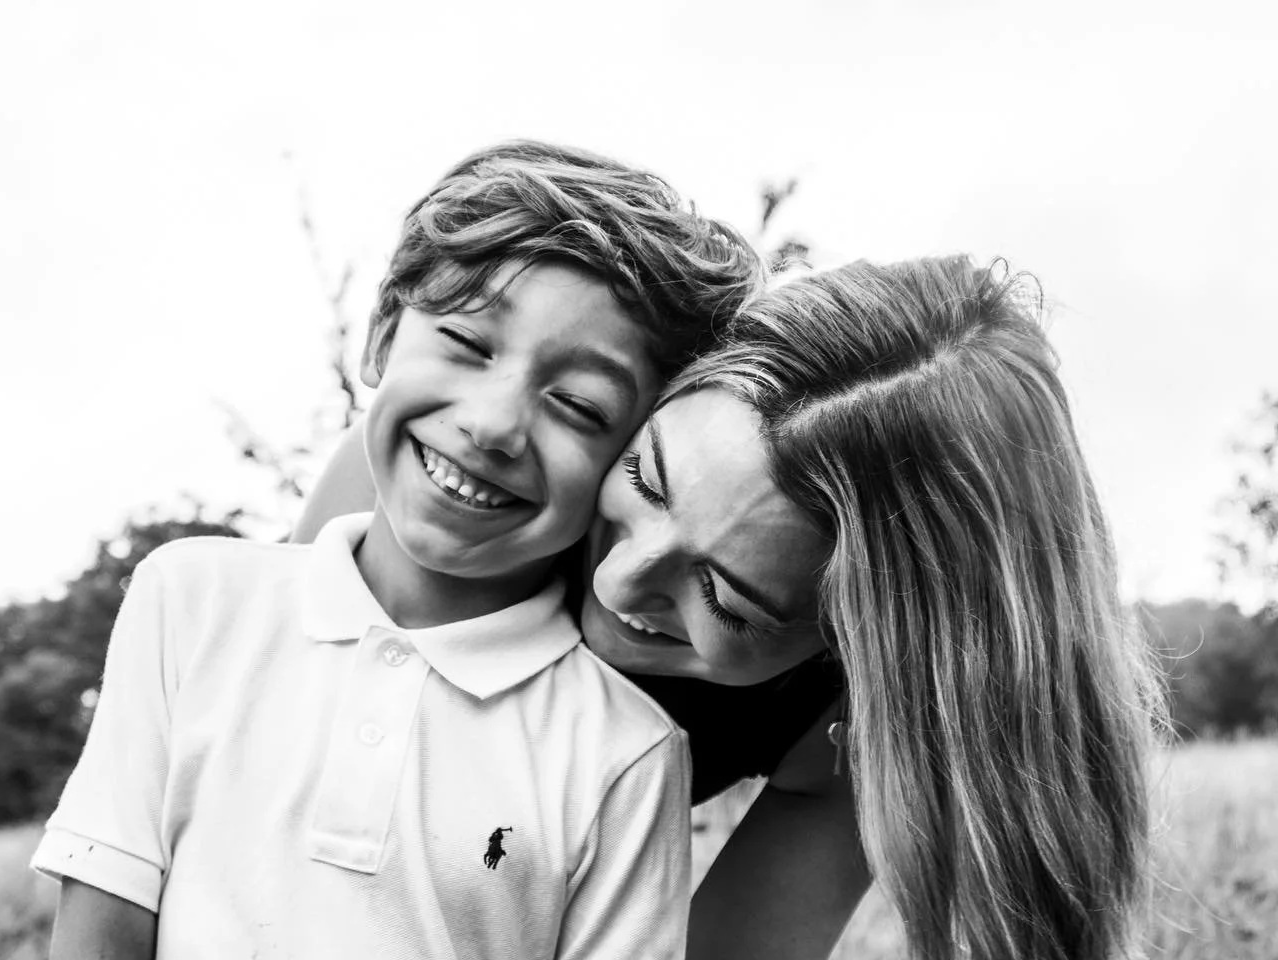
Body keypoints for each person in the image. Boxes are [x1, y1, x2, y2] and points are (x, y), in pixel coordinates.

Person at [299, 255, 1164, 960]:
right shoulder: (436, 476)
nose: (617, 585)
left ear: (849, 650)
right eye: (645, 478)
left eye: (728, 600)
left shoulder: (843, 728)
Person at [31, 141, 764, 959]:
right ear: (383, 333)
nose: (491, 424)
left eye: (579, 405)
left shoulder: (628, 754)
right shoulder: (190, 600)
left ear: (630, 458)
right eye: (468, 342)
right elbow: (99, 928)